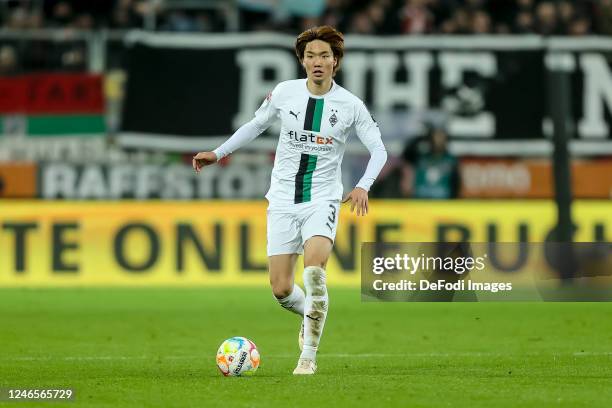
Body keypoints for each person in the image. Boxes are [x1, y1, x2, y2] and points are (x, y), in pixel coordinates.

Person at [193, 25, 387, 375]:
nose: (317, 62)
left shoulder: (350, 105)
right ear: (302, 60)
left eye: (324, 56)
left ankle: (308, 356)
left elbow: (378, 149)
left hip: (323, 199)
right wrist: (218, 153)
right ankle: (313, 312)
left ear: (335, 62)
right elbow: (255, 125)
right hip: (282, 199)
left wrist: (363, 185)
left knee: (314, 273)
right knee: (281, 288)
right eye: (310, 55)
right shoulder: (285, 93)